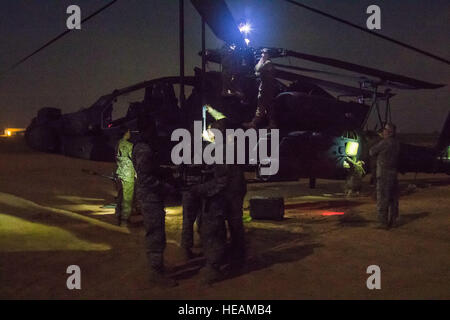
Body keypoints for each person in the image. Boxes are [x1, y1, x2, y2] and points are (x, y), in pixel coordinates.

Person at [132, 120, 178, 287]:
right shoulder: (144, 150)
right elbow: (146, 178)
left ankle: (157, 268)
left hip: (149, 196)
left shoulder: (142, 147)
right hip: (150, 197)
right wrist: (167, 188)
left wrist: (166, 171)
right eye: (153, 129)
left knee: (156, 232)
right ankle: (155, 273)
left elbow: (150, 171)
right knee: (156, 234)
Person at [369, 123, 401, 229]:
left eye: (385, 130)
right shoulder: (396, 143)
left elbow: (371, 151)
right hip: (393, 174)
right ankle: (393, 220)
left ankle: (383, 222)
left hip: (383, 174)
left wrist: (379, 139)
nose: (383, 131)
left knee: (383, 198)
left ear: (389, 132)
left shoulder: (384, 143)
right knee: (393, 199)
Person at [244, 48, 278, 129]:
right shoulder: (267, 63)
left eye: (264, 53)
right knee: (268, 107)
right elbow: (256, 70)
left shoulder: (268, 63)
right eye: (262, 53)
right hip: (266, 88)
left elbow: (257, 69)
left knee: (262, 106)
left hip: (266, 89)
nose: (262, 55)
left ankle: (254, 123)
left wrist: (261, 60)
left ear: (268, 55)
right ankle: (271, 124)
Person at [115, 128, 135, 227]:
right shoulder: (129, 145)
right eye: (128, 131)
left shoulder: (117, 144)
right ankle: (125, 217)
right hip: (128, 174)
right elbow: (134, 159)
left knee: (120, 195)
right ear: (126, 133)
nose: (129, 133)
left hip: (119, 172)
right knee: (127, 197)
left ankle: (118, 214)